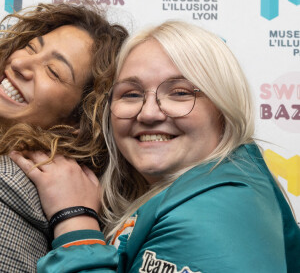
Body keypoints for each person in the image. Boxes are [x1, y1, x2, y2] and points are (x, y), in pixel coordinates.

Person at [11, 21, 300, 272]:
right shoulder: (194, 193)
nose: (148, 113)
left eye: (179, 93)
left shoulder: (211, 217)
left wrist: (75, 222)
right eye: (131, 94)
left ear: (223, 109)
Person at [0, 1, 127, 272]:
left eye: (53, 71)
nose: (20, 62)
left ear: (77, 121)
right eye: (31, 47)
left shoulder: (8, 183)